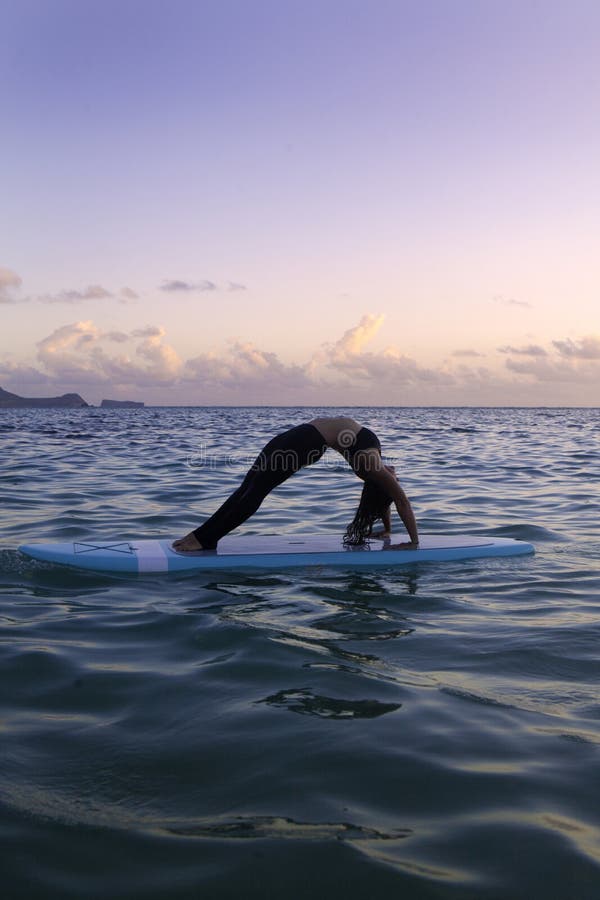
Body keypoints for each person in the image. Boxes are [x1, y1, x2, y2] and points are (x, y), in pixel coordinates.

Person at [172, 416, 419, 552]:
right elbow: (395, 498)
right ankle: (205, 537)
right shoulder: (377, 470)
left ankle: (204, 537)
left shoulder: (376, 467)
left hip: (302, 438)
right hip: (303, 438)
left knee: (255, 490)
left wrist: (398, 534)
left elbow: (395, 498)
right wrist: (407, 538)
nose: (395, 479)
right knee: (249, 487)